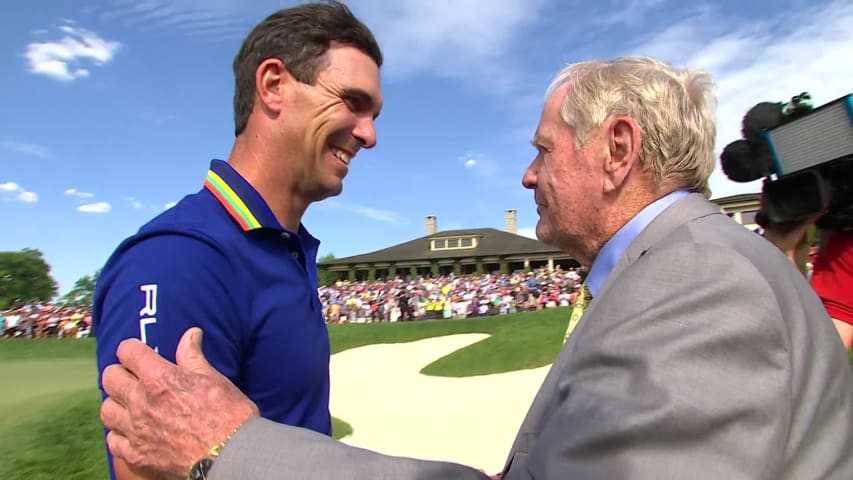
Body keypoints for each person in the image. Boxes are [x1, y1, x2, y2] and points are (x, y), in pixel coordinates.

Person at [100, 57, 853, 479]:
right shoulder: (691, 264)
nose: (527, 178)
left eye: (542, 150)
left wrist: (233, 448)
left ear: (617, 151)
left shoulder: (697, 280)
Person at [92, 2, 383, 479]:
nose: (369, 135)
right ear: (273, 86)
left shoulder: (284, 246)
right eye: (353, 102)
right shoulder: (180, 259)